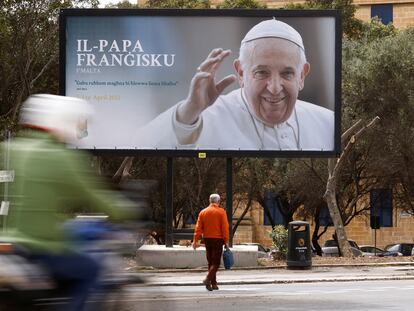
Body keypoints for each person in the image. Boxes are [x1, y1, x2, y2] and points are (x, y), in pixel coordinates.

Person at [1, 94, 135, 311]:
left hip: (6, 245)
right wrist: (130, 212)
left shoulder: (8, 149)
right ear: (63, 121)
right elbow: (93, 196)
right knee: (90, 271)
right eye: (78, 123)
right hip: (39, 245)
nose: (79, 131)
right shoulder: (59, 156)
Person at [134, 19, 334, 150]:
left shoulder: (329, 123)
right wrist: (190, 110)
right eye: (261, 72)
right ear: (241, 72)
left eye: (287, 73)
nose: (274, 88)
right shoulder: (200, 118)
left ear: (302, 75)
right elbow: (137, 146)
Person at [193, 193, 229, 291]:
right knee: (216, 263)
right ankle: (207, 279)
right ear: (218, 201)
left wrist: (195, 240)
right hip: (218, 240)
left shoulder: (203, 212)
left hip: (207, 239)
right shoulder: (221, 212)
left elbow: (198, 228)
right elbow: (225, 228)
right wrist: (226, 240)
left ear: (210, 201)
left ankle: (213, 284)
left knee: (210, 262)